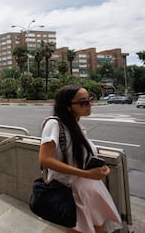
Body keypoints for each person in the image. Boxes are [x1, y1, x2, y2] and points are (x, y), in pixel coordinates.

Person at [39, 84, 122, 233]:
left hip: (89, 188)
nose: (90, 104)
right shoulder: (54, 124)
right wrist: (86, 174)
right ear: (68, 106)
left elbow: (80, 157)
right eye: (83, 102)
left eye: (90, 99)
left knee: (98, 227)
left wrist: (99, 169)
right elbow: (44, 159)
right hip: (71, 191)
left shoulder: (76, 125)